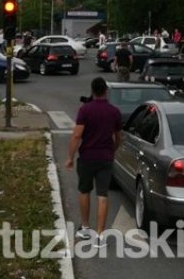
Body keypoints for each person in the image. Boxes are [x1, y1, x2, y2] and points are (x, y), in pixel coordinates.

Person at [65, 77, 122, 244]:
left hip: (87, 158)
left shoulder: (85, 110)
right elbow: (119, 137)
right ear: (105, 91)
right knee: (102, 195)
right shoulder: (114, 111)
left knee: (84, 191)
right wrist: (112, 150)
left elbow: (77, 135)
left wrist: (70, 157)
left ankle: (85, 227)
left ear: (92, 91)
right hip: (105, 158)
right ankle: (100, 235)